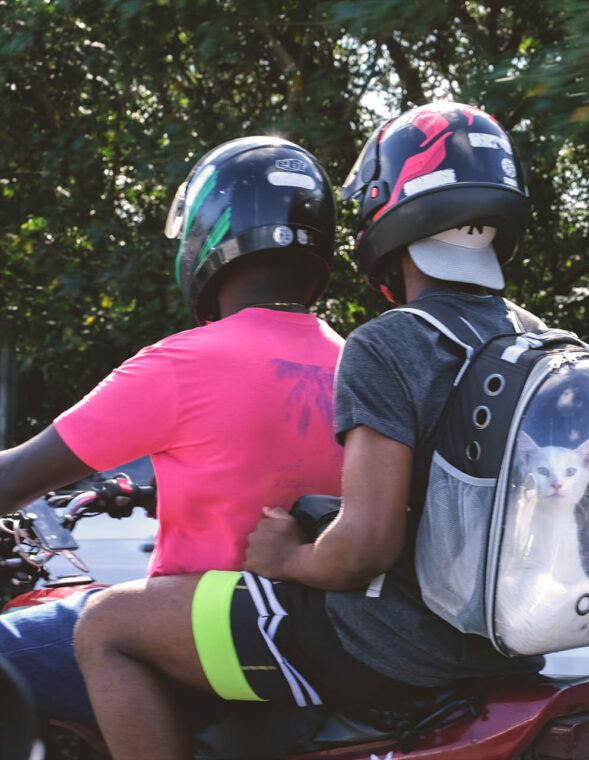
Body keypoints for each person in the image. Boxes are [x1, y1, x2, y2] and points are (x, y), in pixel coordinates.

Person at [73, 102, 549, 759]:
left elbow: (365, 547)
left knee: (104, 625)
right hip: (506, 645)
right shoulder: (540, 343)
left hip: (386, 643)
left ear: (389, 208)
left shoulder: (388, 344)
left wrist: (288, 558)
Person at [0, 136, 346, 724]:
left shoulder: (183, 365)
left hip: (206, 642)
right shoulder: (352, 359)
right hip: (319, 634)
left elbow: (20, 475)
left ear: (208, 231)